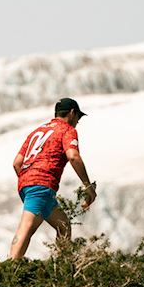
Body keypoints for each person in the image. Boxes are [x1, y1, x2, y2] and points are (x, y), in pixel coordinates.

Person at [9, 97, 97, 259]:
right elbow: (73, 156)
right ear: (72, 113)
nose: (77, 122)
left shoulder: (37, 131)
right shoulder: (67, 130)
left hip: (26, 184)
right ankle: (9, 270)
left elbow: (17, 163)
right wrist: (87, 186)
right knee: (26, 228)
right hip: (41, 184)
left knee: (63, 226)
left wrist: (28, 180)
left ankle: (61, 267)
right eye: (78, 117)